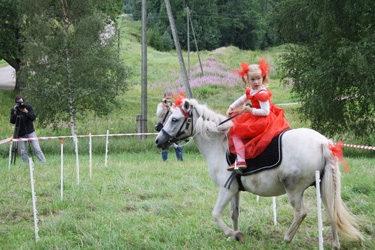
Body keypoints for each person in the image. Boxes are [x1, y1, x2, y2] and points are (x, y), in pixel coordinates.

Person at [226, 59, 290, 171]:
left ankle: (241, 160)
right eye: (253, 79)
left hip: (263, 119)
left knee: (236, 133)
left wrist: (250, 110)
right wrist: (231, 107)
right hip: (255, 116)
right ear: (248, 79)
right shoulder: (251, 89)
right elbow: (242, 99)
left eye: (259, 79)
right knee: (237, 130)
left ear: (263, 78)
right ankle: (242, 158)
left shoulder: (262, 93)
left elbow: (266, 112)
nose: (256, 82)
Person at [10, 95, 46, 164]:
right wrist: (14, 112)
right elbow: (12, 121)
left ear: (23, 101)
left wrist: (26, 111)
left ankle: (43, 163)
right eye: (19, 102)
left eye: (21, 102)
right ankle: (27, 164)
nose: (20, 104)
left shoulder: (28, 107)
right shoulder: (15, 110)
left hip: (30, 131)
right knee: (23, 151)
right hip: (21, 133)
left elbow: (33, 118)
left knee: (37, 148)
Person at [156, 92, 183, 162]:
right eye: (167, 99)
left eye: (169, 99)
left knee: (177, 144)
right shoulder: (160, 105)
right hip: (164, 127)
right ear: (164, 98)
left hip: (173, 128)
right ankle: (165, 161)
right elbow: (158, 114)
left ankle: (180, 160)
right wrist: (163, 107)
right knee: (164, 145)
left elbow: (176, 113)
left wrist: (169, 107)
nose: (168, 100)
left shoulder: (174, 105)